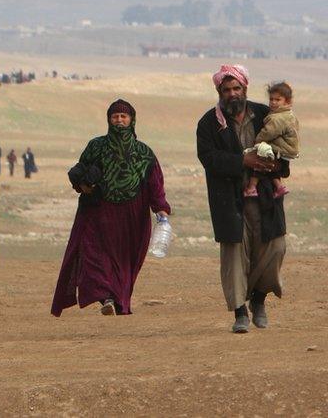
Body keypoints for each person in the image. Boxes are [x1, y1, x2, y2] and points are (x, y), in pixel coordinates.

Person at [51, 100, 170, 317]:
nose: (119, 121)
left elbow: (155, 184)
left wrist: (161, 210)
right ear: (108, 120)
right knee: (94, 255)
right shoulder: (96, 146)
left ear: (132, 120)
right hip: (99, 213)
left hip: (132, 217)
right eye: (115, 117)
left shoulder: (144, 153)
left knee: (124, 262)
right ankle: (106, 297)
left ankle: (119, 301)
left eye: (124, 117)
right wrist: (83, 184)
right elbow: (80, 171)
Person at [197, 65, 288, 333]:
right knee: (235, 257)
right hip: (229, 202)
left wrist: (276, 167)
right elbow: (208, 158)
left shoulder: (264, 115)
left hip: (265, 199)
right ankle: (240, 313)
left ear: (245, 89)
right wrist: (243, 161)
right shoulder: (208, 123)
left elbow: (284, 149)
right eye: (226, 90)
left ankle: (259, 300)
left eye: (237, 88)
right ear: (219, 92)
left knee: (275, 248)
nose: (232, 94)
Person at [244, 81, 299, 199]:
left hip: (281, 148)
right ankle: (279, 187)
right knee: (271, 165)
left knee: (260, 161)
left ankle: (251, 188)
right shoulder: (289, 114)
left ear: (287, 101)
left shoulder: (278, 118)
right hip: (287, 149)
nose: (273, 102)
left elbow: (268, 132)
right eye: (271, 99)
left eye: (277, 100)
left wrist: (258, 142)